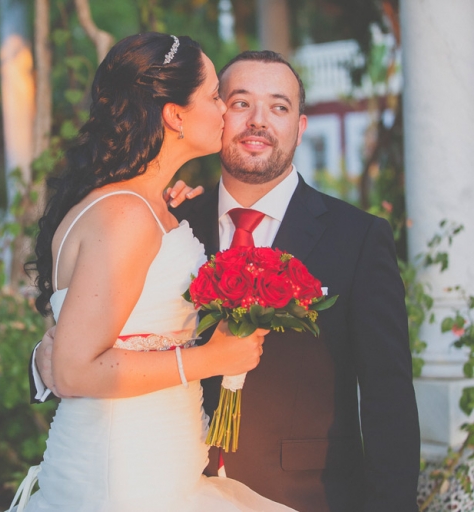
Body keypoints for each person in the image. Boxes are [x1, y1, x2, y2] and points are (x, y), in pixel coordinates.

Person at [33, 50, 421, 512]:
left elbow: (388, 399)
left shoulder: (357, 237)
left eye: (279, 107)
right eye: (238, 102)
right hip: (157, 479)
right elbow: (94, 335)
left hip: (302, 497)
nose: (258, 121)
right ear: (217, 116)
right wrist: (44, 359)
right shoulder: (172, 223)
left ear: (299, 127)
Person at [10, 33, 295, 511]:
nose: (225, 109)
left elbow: (98, 332)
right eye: (213, 96)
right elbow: (76, 368)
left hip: (160, 468)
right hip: (123, 480)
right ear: (175, 115)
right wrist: (214, 358)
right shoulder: (126, 214)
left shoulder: (144, 206)